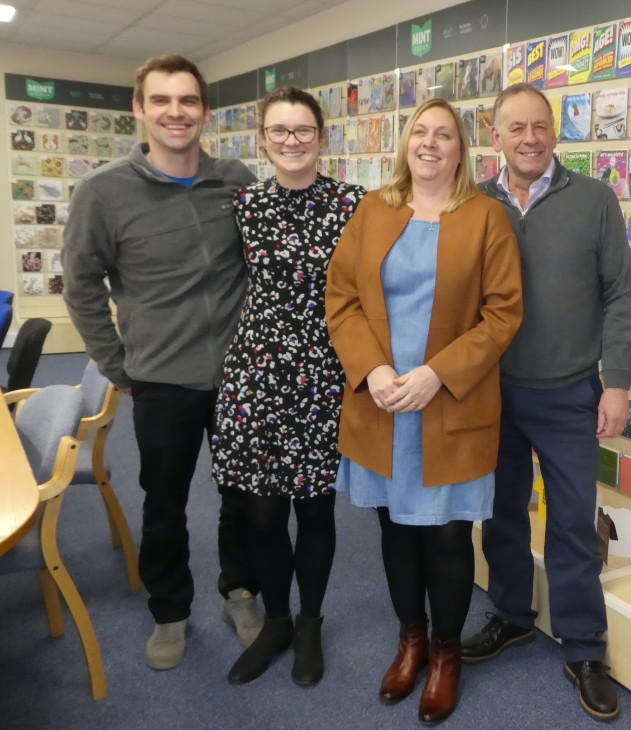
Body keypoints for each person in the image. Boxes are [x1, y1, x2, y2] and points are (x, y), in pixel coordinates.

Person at [325, 97, 522, 724]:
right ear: (405, 144)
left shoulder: (486, 217)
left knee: (445, 534)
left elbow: (503, 314)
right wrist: (374, 370)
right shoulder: (372, 211)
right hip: (383, 403)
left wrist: (438, 373)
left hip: (448, 402)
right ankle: (409, 639)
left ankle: (444, 654)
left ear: (462, 150)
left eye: (444, 134)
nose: (430, 143)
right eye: (420, 133)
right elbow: (343, 299)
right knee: (393, 530)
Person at [62, 55, 261, 671]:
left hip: (236, 375)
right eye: (162, 100)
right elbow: (81, 284)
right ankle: (170, 612)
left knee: (242, 498)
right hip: (160, 379)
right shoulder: (104, 191)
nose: (176, 112)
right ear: (140, 109)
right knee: (165, 503)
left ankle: (241, 590)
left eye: (188, 101)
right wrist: (117, 362)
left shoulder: (236, 178)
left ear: (204, 111)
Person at [465, 82, 631, 720]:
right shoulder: (474, 204)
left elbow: (620, 294)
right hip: (491, 393)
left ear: (555, 133)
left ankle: (585, 648)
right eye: (516, 128)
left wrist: (615, 380)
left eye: (540, 126)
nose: (529, 138)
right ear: (497, 137)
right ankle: (511, 615)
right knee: (501, 514)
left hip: (569, 392)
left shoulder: (593, 199)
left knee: (570, 522)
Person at [211, 87, 365, 686]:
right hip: (258, 374)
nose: (292, 141)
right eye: (279, 131)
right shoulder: (243, 205)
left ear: (323, 138)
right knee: (263, 514)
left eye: (303, 130)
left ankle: (308, 625)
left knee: (316, 512)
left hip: (326, 378)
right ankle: (274, 620)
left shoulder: (356, 205)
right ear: (263, 140)